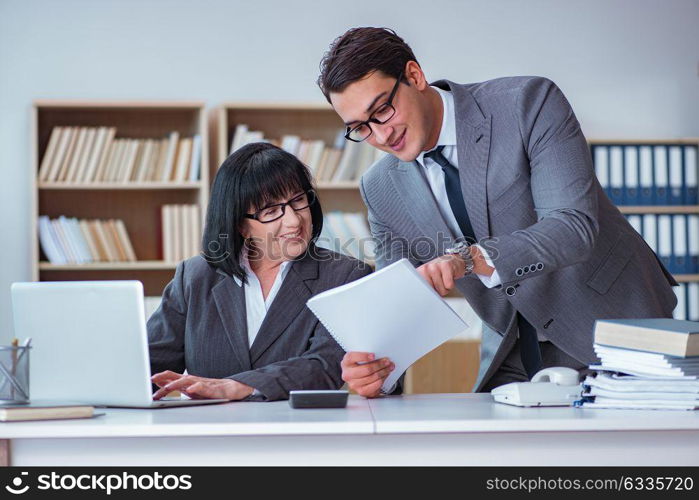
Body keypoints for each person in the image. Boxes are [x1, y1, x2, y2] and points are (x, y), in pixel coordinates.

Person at [317, 27, 677, 397]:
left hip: (608, 320)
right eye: (360, 127)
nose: (380, 136)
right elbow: (398, 301)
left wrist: (469, 260)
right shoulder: (380, 186)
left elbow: (573, 227)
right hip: (513, 350)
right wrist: (375, 368)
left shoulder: (527, 102)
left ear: (414, 75)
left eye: (382, 110)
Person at [147, 142, 372, 401]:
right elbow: (150, 366)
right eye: (271, 211)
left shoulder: (345, 276)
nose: (294, 220)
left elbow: (325, 364)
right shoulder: (195, 276)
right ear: (241, 225)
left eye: (298, 200)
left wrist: (237, 386)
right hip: (209, 433)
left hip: (298, 431)